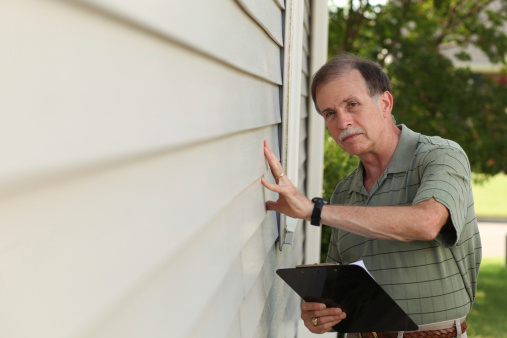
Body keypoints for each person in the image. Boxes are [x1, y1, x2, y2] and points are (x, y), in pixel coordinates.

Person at [261, 54, 481, 337]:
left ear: (385, 104)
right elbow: (341, 288)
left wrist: (314, 210)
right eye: (330, 113)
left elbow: (427, 222)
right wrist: (320, 314)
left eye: (352, 104)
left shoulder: (440, 156)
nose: (342, 121)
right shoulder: (344, 192)